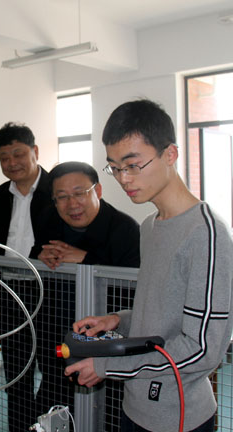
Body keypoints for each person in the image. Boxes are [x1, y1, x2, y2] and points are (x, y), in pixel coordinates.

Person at [65, 99, 233, 432]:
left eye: (133, 165)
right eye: (115, 168)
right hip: (135, 405)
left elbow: (201, 348)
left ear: (170, 154)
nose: (123, 178)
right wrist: (118, 320)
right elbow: (163, 316)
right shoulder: (150, 226)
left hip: (177, 416)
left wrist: (106, 367)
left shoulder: (206, 234)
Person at [30, 161, 140, 418]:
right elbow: (36, 253)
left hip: (106, 339)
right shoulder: (48, 219)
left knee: (106, 412)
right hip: (58, 329)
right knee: (51, 409)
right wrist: (41, 256)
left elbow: (132, 291)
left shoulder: (126, 229)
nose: (72, 204)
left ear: (97, 191)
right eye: (62, 197)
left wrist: (86, 259)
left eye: (79, 193)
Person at [0, 122, 52, 432]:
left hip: (50, 295)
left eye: (18, 154)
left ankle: (44, 424)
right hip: (11, 296)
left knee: (54, 372)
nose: (11, 163)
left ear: (35, 151)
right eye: (4, 157)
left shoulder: (56, 189)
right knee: (15, 375)